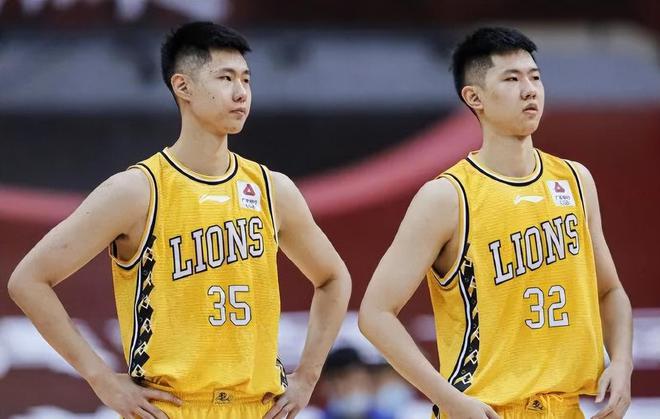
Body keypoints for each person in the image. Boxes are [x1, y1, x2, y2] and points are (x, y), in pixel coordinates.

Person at [8, 21, 351, 419]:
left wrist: (307, 376)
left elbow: (333, 278)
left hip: (258, 407)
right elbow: (28, 281)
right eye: (225, 78)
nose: (241, 92)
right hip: (172, 407)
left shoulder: (272, 189)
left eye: (246, 79)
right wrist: (101, 378)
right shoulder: (137, 190)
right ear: (183, 86)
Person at [358, 27, 632, 419]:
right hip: (487, 409)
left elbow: (610, 291)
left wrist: (621, 362)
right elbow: (375, 314)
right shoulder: (447, 197)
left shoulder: (575, 180)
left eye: (535, 77)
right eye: (512, 79)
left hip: (566, 408)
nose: (530, 90)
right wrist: (450, 400)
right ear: (475, 97)